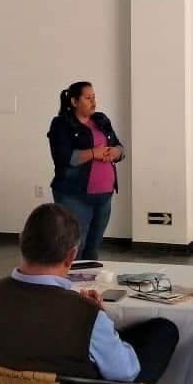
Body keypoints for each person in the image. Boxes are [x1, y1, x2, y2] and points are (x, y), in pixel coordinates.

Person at [0, 203, 178, 384]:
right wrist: (99, 319)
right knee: (163, 332)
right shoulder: (85, 315)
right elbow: (126, 372)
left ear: (21, 242)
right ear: (71, 255)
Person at [47, 81, 125, 261]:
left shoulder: (101, 120)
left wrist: (116, 152)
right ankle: (71, 279)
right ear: (74, 101)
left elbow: (120, 147)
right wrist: (93, 153)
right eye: (88, 98)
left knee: (93, 246)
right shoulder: (62, 124)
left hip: (104, 195)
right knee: (75, 247)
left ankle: (89, 278)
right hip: (75, 195)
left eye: (94, 97)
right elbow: (63, 158)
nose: (93, 102)